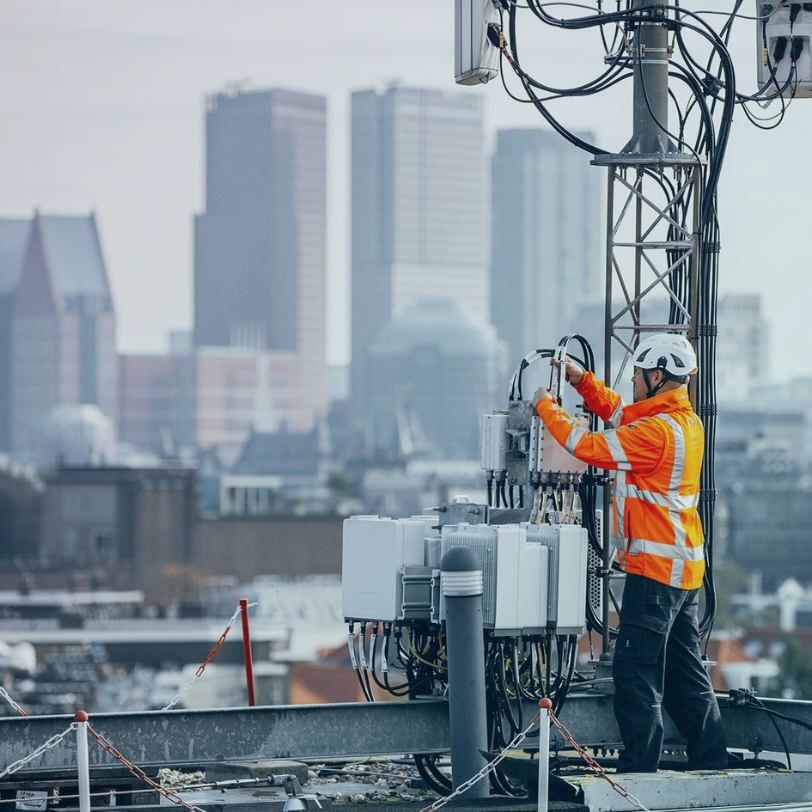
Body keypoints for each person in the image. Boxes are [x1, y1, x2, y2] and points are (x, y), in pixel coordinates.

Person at [532, 333, 727, 773]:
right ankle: (711, 759)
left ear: (658, 375)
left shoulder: (655, 433)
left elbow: (586, 447)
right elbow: (623, 414)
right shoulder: (681, 422)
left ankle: (639, 771)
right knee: (684, 671)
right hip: (683, 570)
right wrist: (583, 382)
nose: (634, 380)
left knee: (636, 675)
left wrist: (546, 406)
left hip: (655, 573)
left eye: (638, 374)